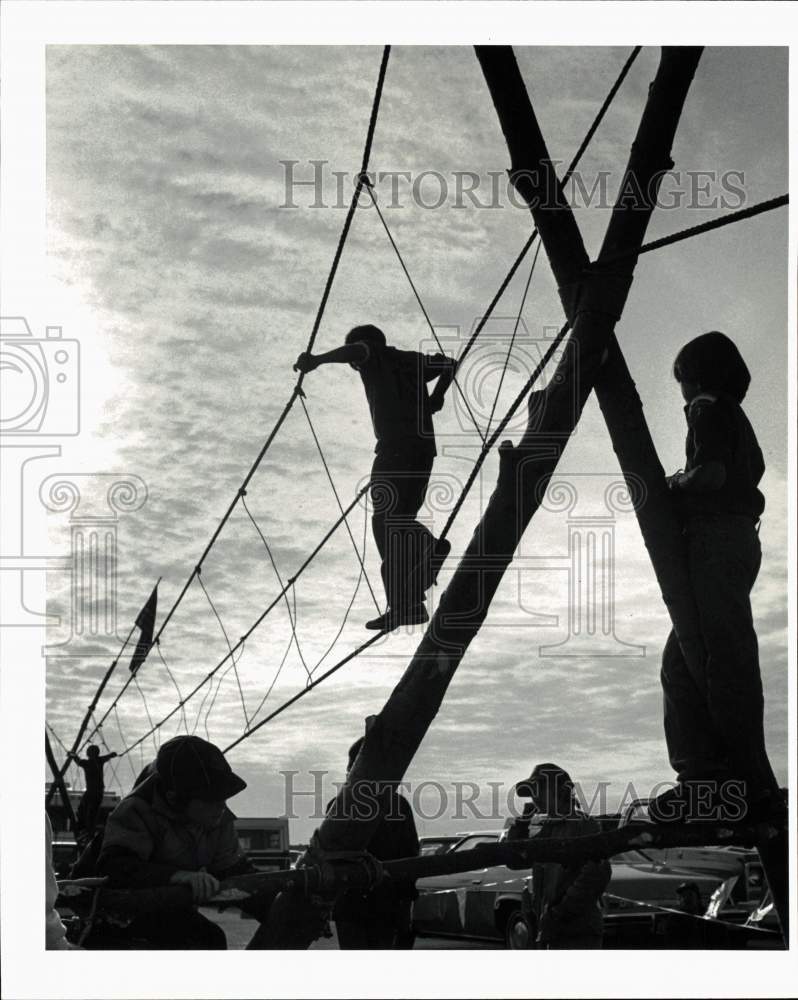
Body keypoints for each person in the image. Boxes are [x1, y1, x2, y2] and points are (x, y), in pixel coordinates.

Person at [650, 331, 783, 825]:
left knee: (719, 662)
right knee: (686, 662)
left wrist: (672, 484)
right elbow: (743, 472)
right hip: (735, 542)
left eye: (682, 379)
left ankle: (731, 783)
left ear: (696, 376)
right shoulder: (737, 417)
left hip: (715, 541)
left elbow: (710, 475)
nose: (681, 391)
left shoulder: (706, 407)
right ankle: (714, 780)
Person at [294, 325, 454, 631]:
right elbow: (449, 365)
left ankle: (422, 560)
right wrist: (437, 396)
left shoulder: (373, 355)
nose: (355, 367)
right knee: (398, 521)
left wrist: (318, 360)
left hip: (394, 448)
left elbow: (359, 350)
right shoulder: (413, 360)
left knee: (385, 522)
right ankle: (410, 601)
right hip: (423, 451)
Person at [96, 735, 269, 949]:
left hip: (174, 907)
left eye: (223, 797)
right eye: (210, 798)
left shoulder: (218, 818)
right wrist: (178, 876)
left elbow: (233, 870)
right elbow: (116, 867)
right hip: (120, 915)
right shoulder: (136, 810)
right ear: (174, 798)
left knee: (209, 938)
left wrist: (276, 899)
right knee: (206, 940)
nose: (221, 806)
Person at [329, 736, 420, 949]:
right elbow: (411, 858)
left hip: (354, 905)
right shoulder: (398, 805)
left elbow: (329, 858)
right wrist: (405, 909)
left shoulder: (338, 806)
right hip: (383, 905)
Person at [507, 762, 610, 949]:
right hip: (551, 931)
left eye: (539, 791)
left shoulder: (585, 825)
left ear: (560, 791)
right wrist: (521, 825)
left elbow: (595, 876)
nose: (534, 799)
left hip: (578, 932)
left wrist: (558, 914)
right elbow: (515, 860)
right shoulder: (549, 829)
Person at [67, 744, 117, 841]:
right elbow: (107, 757)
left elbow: (78, 761)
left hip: (94, 792)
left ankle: (87, 831)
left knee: (88, 811)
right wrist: (112, 755)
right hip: (95, 791)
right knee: (86, 810)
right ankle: (86, 830)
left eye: (89, 751)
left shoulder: (90, 762)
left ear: (90, 753)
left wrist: (72, 755)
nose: (87, 753)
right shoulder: (98, 760)